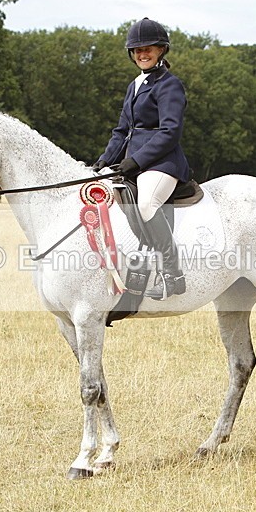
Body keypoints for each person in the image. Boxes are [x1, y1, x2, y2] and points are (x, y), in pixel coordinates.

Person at [92, 18, 190, 300]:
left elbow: (170, 132)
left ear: (161, 50)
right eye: (137, 50)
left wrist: (135, 161)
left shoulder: (170, 85)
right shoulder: (135, 85)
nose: (142, 54)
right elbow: (122, 130)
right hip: (132, 162)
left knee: (146, 203)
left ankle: (173, 273)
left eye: (148, 49)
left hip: (162, 163)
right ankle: (131, 269)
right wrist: (102, 162)